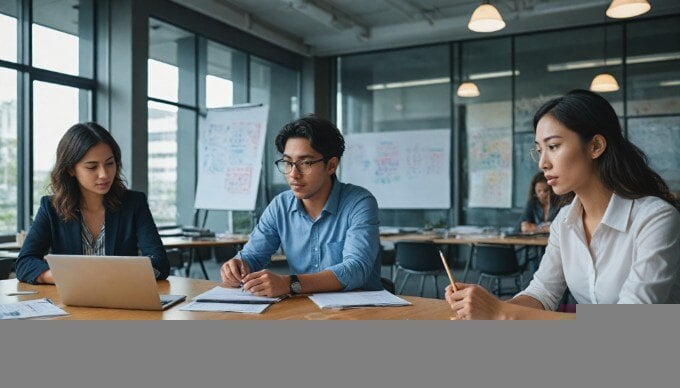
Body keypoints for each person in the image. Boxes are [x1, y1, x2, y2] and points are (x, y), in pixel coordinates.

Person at [446, 89, 679, 319]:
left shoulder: (655, 219)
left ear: (595, 146)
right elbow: (542, 293)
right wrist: (489, 310)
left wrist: (501, 313)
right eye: (539, 150)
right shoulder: (565, 220)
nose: (543, 163)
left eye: (553, 146)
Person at [220, 115, 382, 297]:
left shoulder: (359, 202)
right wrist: (236, 266)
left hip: (360, 311)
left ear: (331, 165)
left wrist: (290, 284)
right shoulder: (280, 205)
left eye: (305, 163)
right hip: (303, 311)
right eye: (288, 162)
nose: (293, 174)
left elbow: (356, 269)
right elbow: (253, 256)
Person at [16, 122, 170, 284]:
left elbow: (160, 263)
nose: (104, 174)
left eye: (110, 163)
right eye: (92, 167)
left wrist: (115, 276)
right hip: (72, 302)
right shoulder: (51, 207)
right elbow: (25, 263)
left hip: (122, 299)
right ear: (70, 170)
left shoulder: (134, 203)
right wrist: (64, 277)